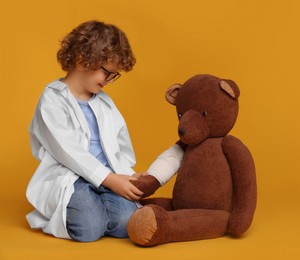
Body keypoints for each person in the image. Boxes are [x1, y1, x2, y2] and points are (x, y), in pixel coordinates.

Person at [26, 20, 183, 242]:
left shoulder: (105, 103)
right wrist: (109, 179)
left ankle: (100, 210)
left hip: (110, 175)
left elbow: (120, 146)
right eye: (107, 73)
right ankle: (90, 211)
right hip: (73, 179)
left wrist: (127, 175)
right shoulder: (52, 100)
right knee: (89, 229)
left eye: (114, 76)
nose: (109, 81)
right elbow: (68, 151)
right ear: (83, 59)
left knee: (126, 224)